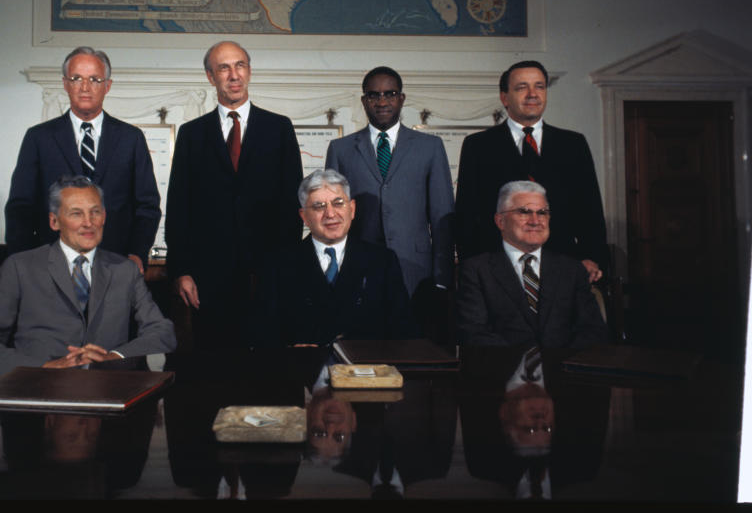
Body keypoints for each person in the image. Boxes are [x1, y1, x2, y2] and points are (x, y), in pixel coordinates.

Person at [0, 176, 175, 377]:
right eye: (76, 213)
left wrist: (114, 357)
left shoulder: (124, 270)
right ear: (54, 222)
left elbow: (162, 332)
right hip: (39, 391)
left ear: (104, 217)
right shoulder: (20, 267)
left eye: (95, 212)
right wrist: (43, 368)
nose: (88, 223)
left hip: (108, 391)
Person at [165, 40, 303, 347]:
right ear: (210, 77)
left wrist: (286, 270)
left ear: (250, 71)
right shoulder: (191, 134)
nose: (234, 75)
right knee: (215, 373)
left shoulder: (279, 129)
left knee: (267, 374)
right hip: (208, 279)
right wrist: (182, 271)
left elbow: (291, 207)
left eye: (240, 65)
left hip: (267, 275)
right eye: (224, 68)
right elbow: (178, 209)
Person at [4, 46, 161, 272]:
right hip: (51, 265)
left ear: (107, 86)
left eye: (95, 79)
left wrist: (137, 253)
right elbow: (20, 207)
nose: (85, 87)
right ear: (65, 84)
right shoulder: (39, 138)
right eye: (77, 78)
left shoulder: (131, 138)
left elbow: (147, 206)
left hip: (115, 264)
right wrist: (23, 262)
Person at [325, 66, 454, 338]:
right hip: (358, 266)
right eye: (373, 95)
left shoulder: (429, 147)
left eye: (389, 94)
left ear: (402, 98)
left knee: (413, 344)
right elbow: (331, 216)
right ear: (364, 101)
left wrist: (443, 277)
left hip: (415, 268)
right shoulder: (341, 149)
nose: (382, 101)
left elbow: (442, 215)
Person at [455, 60, 608, 282]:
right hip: (497, 268)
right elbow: (466, 213)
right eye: (521, 87)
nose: (532, 94)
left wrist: (591, 257)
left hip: (562, 265)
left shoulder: (573, 144)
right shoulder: (478, 145)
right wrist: (473, 267)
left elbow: (590, 209)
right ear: (504, 97)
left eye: (539, 86)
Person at [254, 169, 413, 347]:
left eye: (338, 203)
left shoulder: (382, 262)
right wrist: (290, 352)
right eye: (319, 206)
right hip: (304, 371)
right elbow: (263, 335)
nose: (330, 214)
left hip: (366, 371)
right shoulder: (279, 264)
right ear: (304, 217)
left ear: (352, 209)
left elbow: (404, 333)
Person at [455, 180, 607, 348]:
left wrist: (557, 364)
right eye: (524, 212)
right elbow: (473, 333)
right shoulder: (477, 270)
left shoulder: (572, 269)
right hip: (503, 369)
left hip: (562, 369)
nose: (535, 221)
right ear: (500, 221)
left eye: (542, 212)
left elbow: (593, 330)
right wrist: (523, 365)